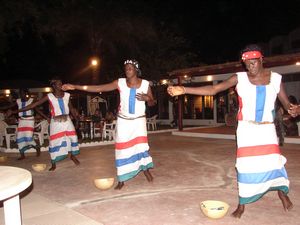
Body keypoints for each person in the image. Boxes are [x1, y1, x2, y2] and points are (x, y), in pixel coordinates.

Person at [167, 44, 294, 218]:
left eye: (253, 62)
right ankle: (242, 203)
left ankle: (282, 193)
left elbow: (287, 105)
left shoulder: (276, 79)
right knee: (245, 166)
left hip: (267, 129)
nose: (250, 67)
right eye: (247, 63)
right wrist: (184, 89)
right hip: (247, 130)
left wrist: (294, 109)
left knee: (273, 163)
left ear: (261, 59)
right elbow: (214, 89)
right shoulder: (239, 78)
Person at [62, 59, 155, 190]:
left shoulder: (145, 84)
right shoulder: (120, 83)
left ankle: (145, 170)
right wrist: (76, 86)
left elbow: (152, 103)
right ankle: (122, 178)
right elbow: (99, 88)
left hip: (139, 121)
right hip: (124, 121)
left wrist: (148, 98)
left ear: (136, 70)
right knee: (122, 149)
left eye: (130, 67)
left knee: (141, 146)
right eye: (126, 68)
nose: (127, 70)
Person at [8, 77, 80, 171]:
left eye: (61, 83)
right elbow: (33, 105)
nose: (61, 85)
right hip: (56, 122)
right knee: (54, 142)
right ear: (54, 86)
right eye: (59, 83)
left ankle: (73, 156)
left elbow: (71, 108)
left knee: (73, 138)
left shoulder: (67, 95)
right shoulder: (49, 96)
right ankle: (53, 162)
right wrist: (15, 111)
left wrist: (76, 119)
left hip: (67, 120)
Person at [3, 88, 47, 159]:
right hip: (21, 121)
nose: (21, 95)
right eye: (20, 93)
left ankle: (37, 147)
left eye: (23, 93)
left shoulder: (31, 100)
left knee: (28, 137)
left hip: (30, 121)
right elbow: (8, 106)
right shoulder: (18, 101)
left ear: (26, 93)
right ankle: (22, 155)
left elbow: (37, 110)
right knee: (19, 137)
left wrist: (46, 117)